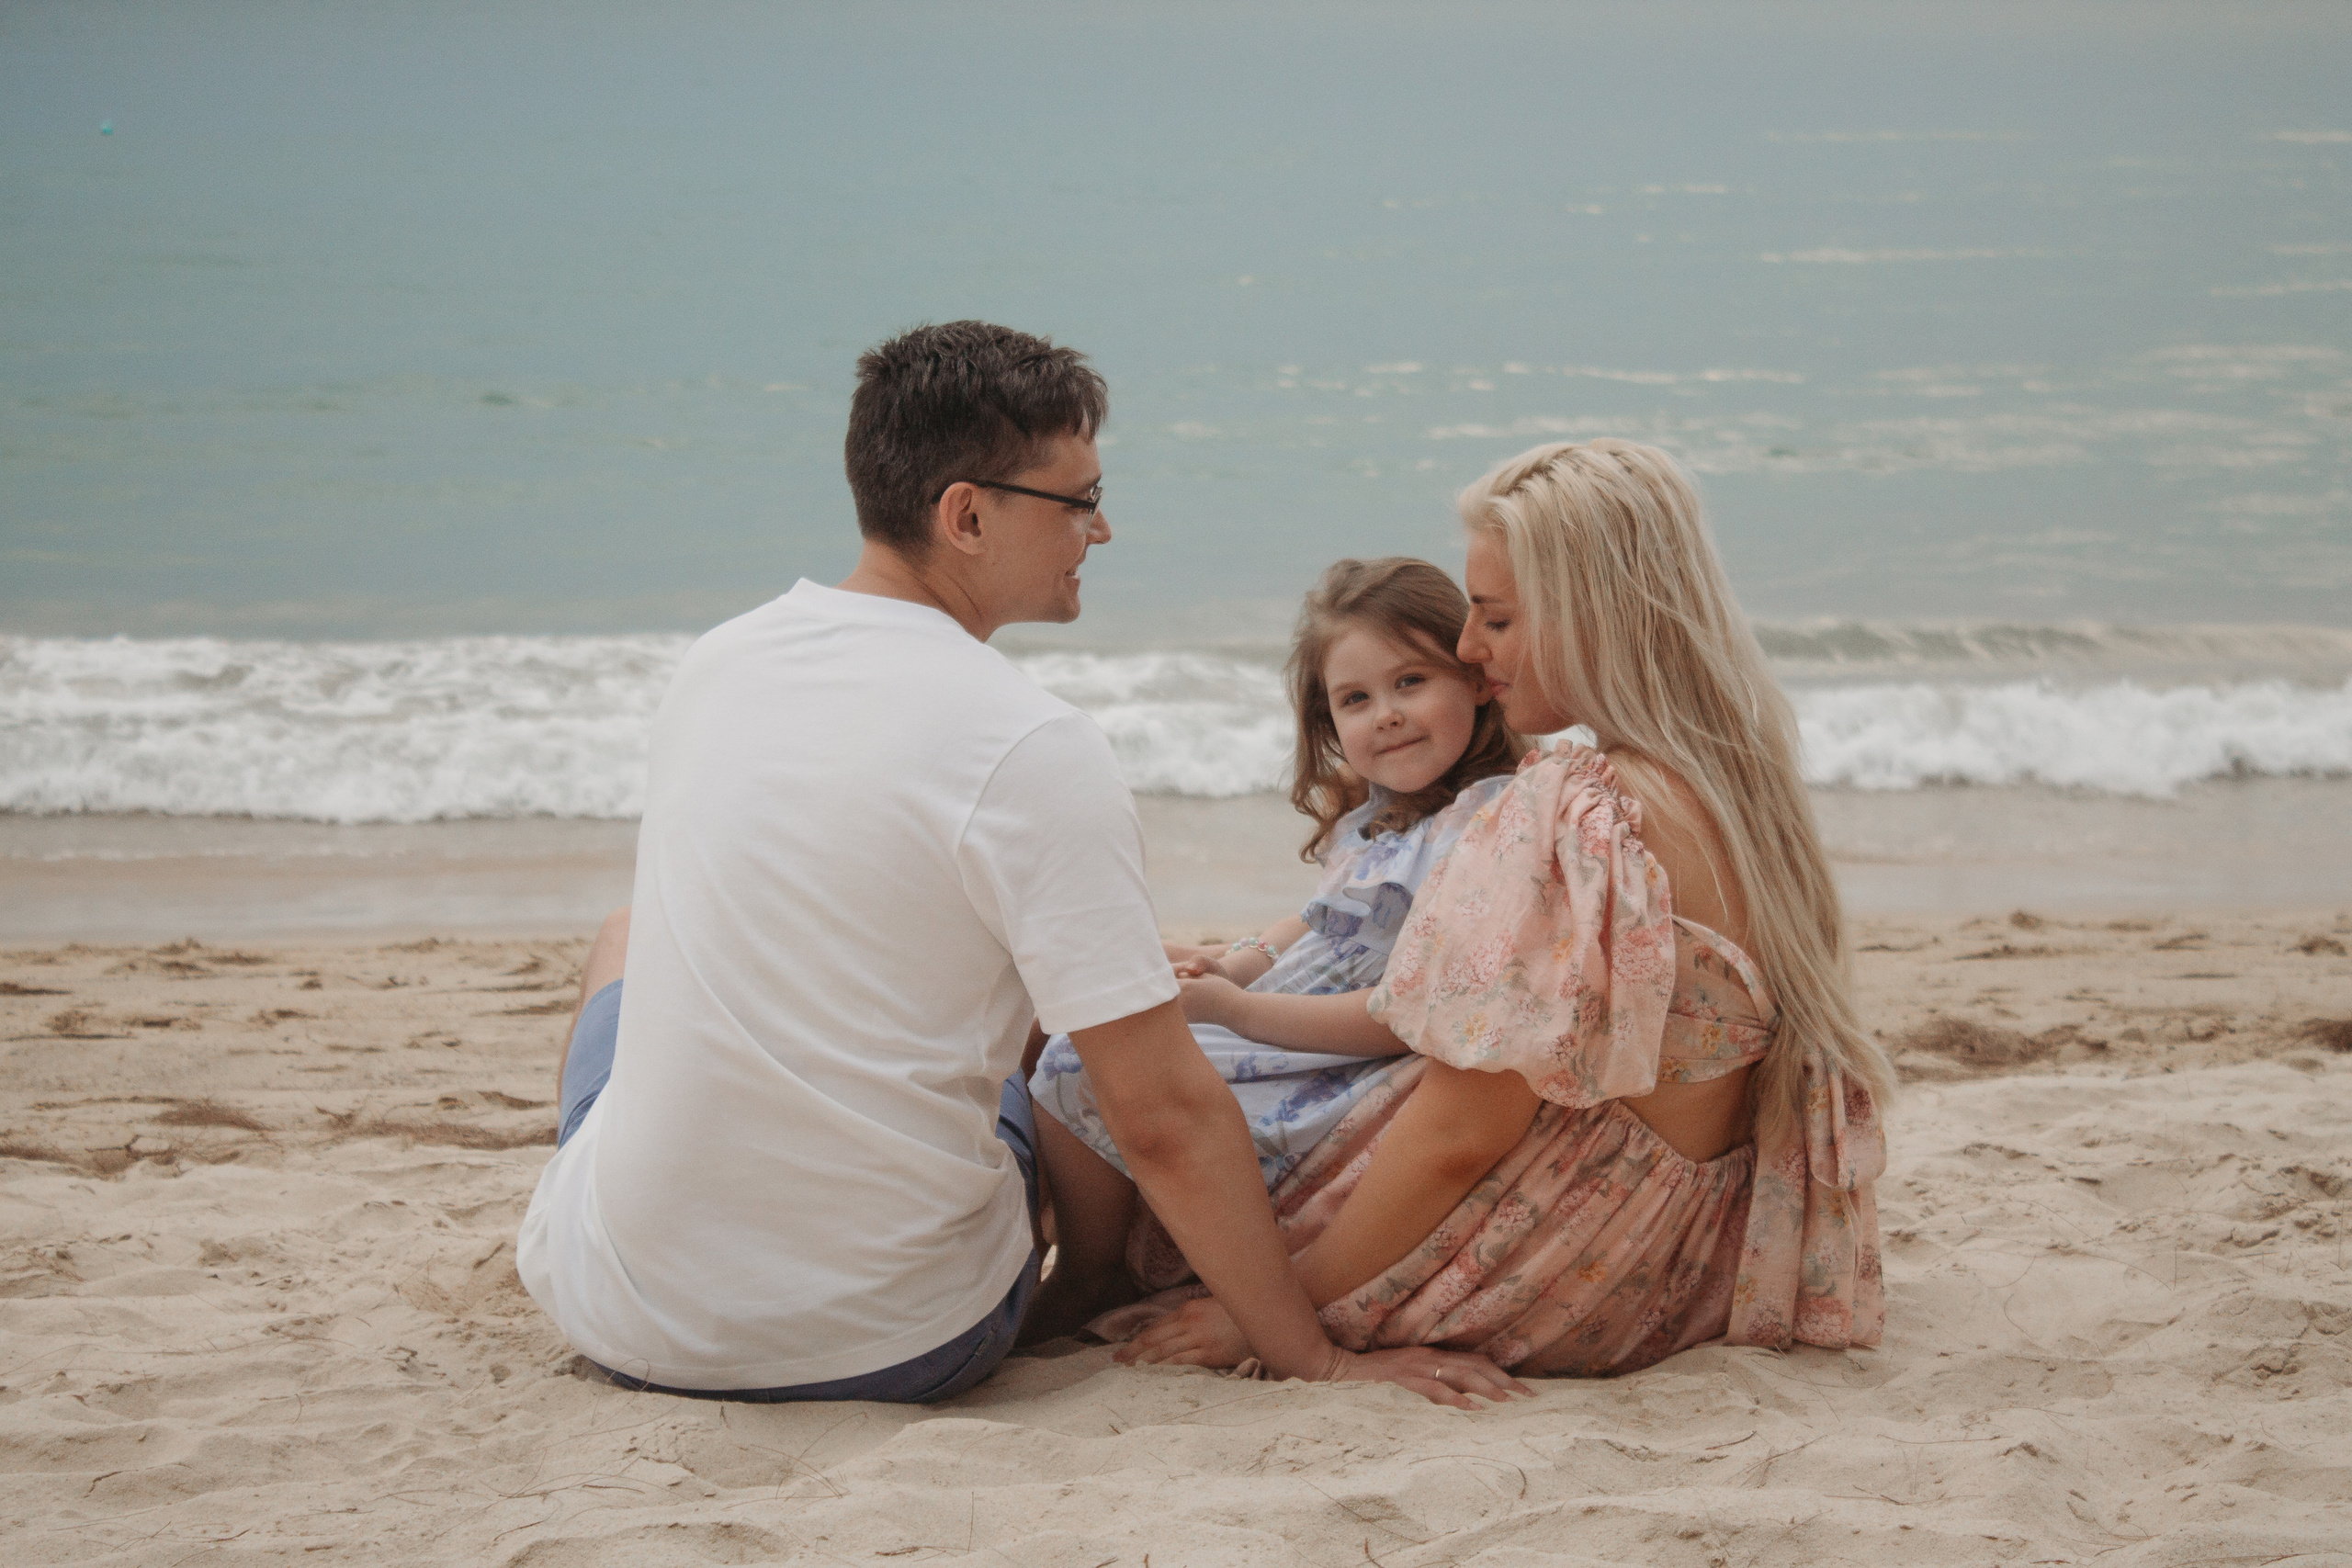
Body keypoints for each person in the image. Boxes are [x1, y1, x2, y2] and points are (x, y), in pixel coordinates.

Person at [514, 321, 1524, 1408]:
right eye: (1079, 501)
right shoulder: (1029, 744)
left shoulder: (715, 664)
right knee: (1076, 1030)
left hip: (615, 1312)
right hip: (894, 1337)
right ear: (966, 515)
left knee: (628, 937)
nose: (1102, 528)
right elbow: (1163, 1118)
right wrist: (1313, 1358)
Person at [1114, 438, 1892, 1376]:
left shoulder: (1580, 810)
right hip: (1685, 1255)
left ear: (1589, 613)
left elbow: (1459, 1135)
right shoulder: (1736, 781)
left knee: (1136, 1102)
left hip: (1561, 1254)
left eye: (1495, 618)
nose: (1468, 650)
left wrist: (1275, 1317)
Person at [1022, 557, 1524, 1341]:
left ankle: (1089, 1271)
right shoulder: (1384, 814)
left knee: (1086, 1057)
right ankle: (1073, 1249)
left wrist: (1237, 1008)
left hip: (1338, 1058)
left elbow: (1408, 1012)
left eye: (1411, 681)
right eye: (1356, 699)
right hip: (1289, 1019)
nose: (1387, 715)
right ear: (1328, 721)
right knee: (1072, 1026)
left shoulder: (1482, 825)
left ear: (1475, 680)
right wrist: (1235, 960)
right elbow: (1319, 918)